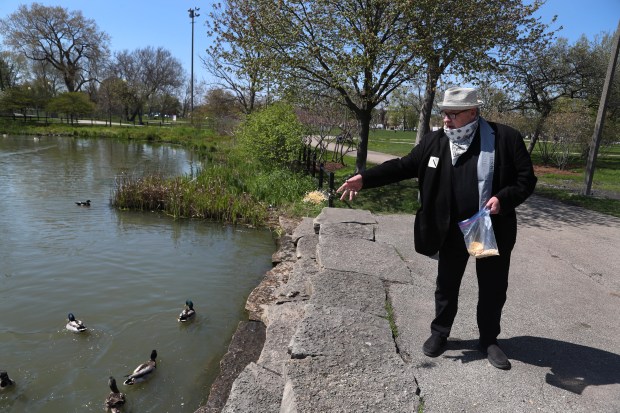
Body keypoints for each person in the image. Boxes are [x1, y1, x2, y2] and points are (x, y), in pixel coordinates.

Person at [337, 86, 536, 370]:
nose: (446, 119)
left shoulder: (504, 138)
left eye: (453, 114)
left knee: (492, 287)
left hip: (486, 227)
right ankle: (440, 333)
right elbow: (403, 166)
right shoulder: (435, 141)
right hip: (450, 230)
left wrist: (503, 200)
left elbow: (526, 180)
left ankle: (489, 340)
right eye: (444, 113)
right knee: (446, 285)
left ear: (473, 112)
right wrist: (364, 179)